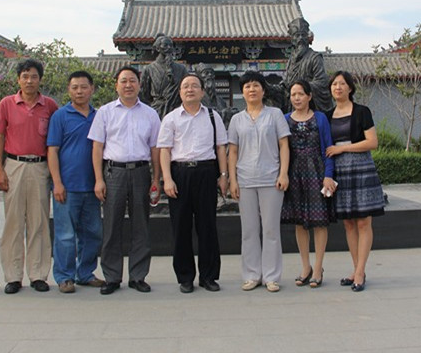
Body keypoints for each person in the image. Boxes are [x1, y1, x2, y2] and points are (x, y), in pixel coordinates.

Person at [89, 66, 161, 295]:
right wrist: (98, 179)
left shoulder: (150, 113)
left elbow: (155, 149)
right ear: (116, 85)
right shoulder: (105, 112)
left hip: (141, 172)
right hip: (114, 173)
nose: (128, 85)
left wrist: (156, 179)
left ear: (139, 85)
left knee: (141, 225)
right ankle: (112, 277)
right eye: (124, 81)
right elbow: (97, 147)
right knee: (111, 226)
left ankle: (138, 276)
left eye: (132, 80)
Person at [0, 59, 58, 294]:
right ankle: (13, 276)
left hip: (40, 167)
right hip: (14, 165)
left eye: (34, 76)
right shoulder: (6, 104)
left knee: (39, 222)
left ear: (40, 79)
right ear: (18, 79)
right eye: (25, 76)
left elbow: (55, 141)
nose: (29, 81)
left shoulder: (50, 106)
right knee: (14, 223)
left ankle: (38, 274)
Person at [158, 73, 228, 293]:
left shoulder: (213, 116)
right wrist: (167, 179)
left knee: (207, 226)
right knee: (181, 227)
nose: (190, 89)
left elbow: (221, 148)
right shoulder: (171, 118)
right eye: (185, 86)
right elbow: (164, 150)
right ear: (180, 92)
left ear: (202, 91)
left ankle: (209, 276)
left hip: (206, 172)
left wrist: (223, 176)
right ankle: (185, 277)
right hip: (180, 174)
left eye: (194, 86)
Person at [228, 71, 290, 292]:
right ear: (242, 92)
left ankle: (271, 276)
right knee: (249, 230)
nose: (251, 90)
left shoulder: (275, 114)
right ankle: (252, 275)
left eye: (256, 85)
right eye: (247, 86)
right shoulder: (236, 119)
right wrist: (232, 180)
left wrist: (283, 173)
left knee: (271, 230)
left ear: (263, 90)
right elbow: (232, 151)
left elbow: (284, 145)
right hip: (245, 180)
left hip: (271, 179)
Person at [325, 70, 385, 292]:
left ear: (350, 88)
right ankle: (356, 268)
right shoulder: (327, 115)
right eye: (334, 84)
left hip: (361, 168)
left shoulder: (362, 111)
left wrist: (342, 148)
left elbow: (372, 142)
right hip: (340, 171)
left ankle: (360, 271)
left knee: (363, 222)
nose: (338, 87)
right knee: (349, 222)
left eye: (342, 84)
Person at [47, 70, 105, 294]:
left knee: (92, 233)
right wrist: (57, 183)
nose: (79, 91)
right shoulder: (60, 116)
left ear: (92, 89)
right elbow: (52, 150)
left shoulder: (99, 116)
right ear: (69, 90)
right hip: (67, 187)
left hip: (92, 186)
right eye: (75, 87)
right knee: (65, 235)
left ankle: (86, 273)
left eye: (84, 87)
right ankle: (64, 276)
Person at [281, 80, 337, 288]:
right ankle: (306, 267)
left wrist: (328, 175)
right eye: (293, 94)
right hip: (294, 174)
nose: (296, 98)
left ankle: (318, 267)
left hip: (317, 173)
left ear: (309, 96)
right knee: (299, 221)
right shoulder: (285, 119)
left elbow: (328, 148)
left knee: (319, 221)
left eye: (300, 94)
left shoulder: (320, 118)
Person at [281, 17, 331, 112]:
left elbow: (322, 82)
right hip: (293, 107)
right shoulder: (291, 61)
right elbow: (286, 84)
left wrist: (301, 87)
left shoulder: (315, 58)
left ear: (307, 38)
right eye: (297, 35)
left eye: (303, 35)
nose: (300, 38)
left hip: (310, 108)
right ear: (292, 39)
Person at [139, 34, 188, 118]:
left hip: (176, 110)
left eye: (171, 45)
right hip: (156, 111)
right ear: (158, 48)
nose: (169, 48)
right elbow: (144, 94)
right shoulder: (149, 69)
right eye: (165, 45)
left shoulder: (181, 69)